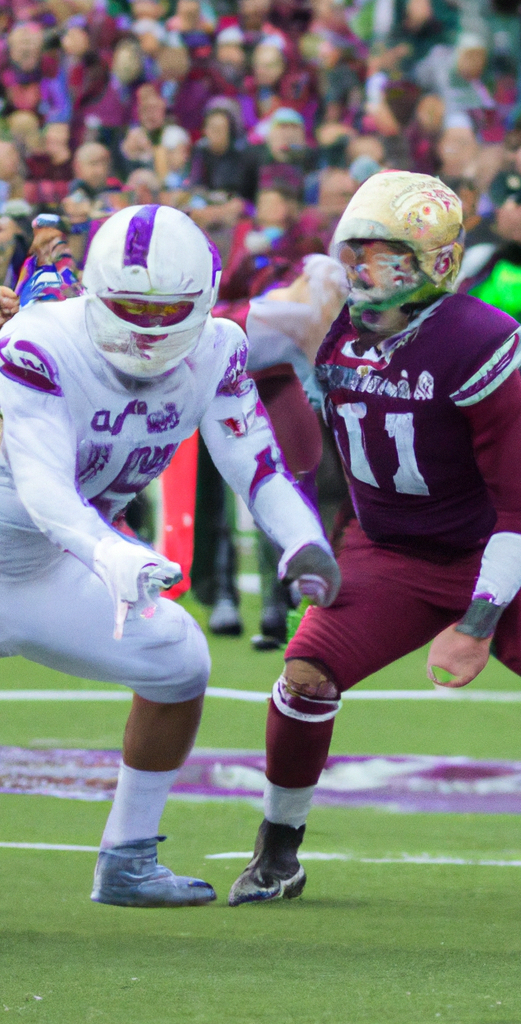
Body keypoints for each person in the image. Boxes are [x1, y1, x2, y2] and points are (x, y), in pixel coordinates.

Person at [227, 172, 521, 906]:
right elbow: (207, 334)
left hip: (495, 544)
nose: (361, 270)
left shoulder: (474, 337)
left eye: (384, 255)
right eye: (355, 252)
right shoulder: (320, 312)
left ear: (435, 262)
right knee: (305, 677)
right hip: (389, 548)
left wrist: (476, 623)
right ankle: (278, 854)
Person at [0, 204, 340, 907]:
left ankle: (126, 860)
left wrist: (304, 540)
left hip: (46, 569)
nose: (152, 330)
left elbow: (257, 466)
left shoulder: (216, 347)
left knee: (178, 662)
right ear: (94, 293)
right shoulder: (40, 340)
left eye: (170, 311)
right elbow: (41, 488)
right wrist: (110, 554)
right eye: (132, 307)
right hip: (58, 542)